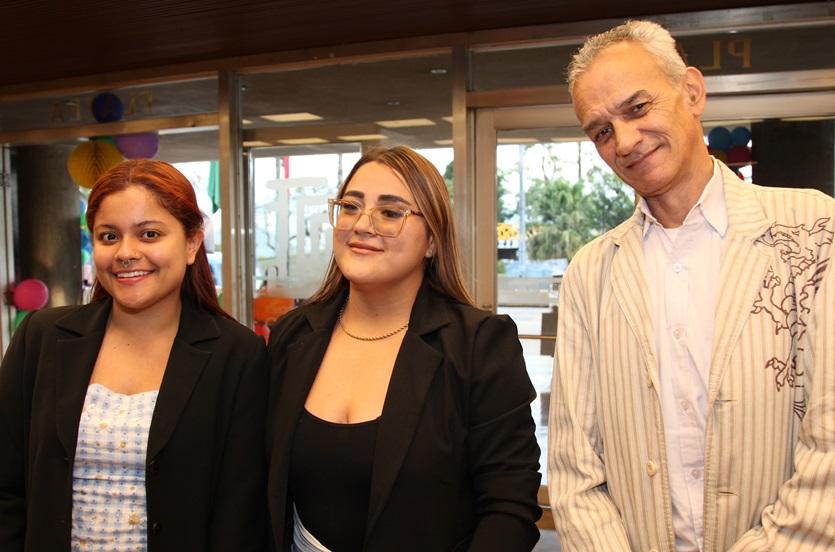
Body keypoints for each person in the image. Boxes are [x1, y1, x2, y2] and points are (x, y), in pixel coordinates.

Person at [548, 19, 835, 551]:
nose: (626, 141)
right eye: (601, 131)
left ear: (692, 91)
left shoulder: (815, 229)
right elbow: (574, 466)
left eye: (638, 108)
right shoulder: (591, 272)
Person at [266, 146, 542, 551]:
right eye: (350, 206)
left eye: (390, 213)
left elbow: (509, 508)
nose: (362, 225)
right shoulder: (293, 336)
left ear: (432, 240)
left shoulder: (478, 344)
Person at [0, 159, 269, 551]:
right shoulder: (42, 339)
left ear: (192, 243)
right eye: (109, 237)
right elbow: (6, 486)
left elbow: (240, 514)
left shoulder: (236, 355)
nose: (126, 252)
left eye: (149, 234)